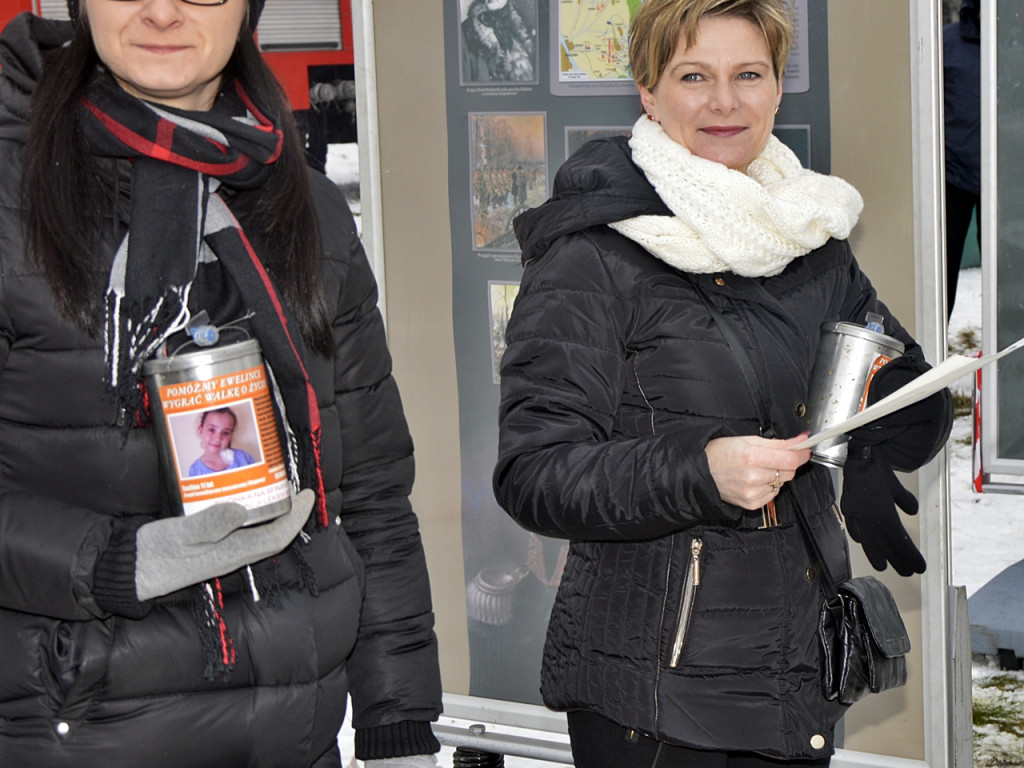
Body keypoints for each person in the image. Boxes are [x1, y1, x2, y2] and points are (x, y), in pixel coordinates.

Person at [493, 0, 953, 765]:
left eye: (748, 74)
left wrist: (884, 431)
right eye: (692, 76)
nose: (724, 102)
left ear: (777, 89)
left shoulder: (805, 235)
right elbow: (534, 472)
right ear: (648, 91)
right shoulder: (592, 257)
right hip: (656, 693)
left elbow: (891, 375)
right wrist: (700, 469)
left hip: (797, 668)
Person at [0, 2, 441, 766]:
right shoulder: (13, 198)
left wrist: (396, 717)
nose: (164, 10)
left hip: (295, 737)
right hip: (75, 733)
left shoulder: (307, 207)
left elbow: (370, 490)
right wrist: (108, 561)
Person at [943, 0, 980, 317]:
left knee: (1009, 276)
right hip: (952, 178)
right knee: (943, 273)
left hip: (1007, 182)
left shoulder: (1014, 44)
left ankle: (1011, 360)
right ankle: (932, 354)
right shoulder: (946, 42)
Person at [188, 407, 256, 476]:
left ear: (231, 435)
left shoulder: (244, 458)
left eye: (225, 432)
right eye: (212, 430)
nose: (218, 438)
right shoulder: (195, 470)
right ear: (201, 431)